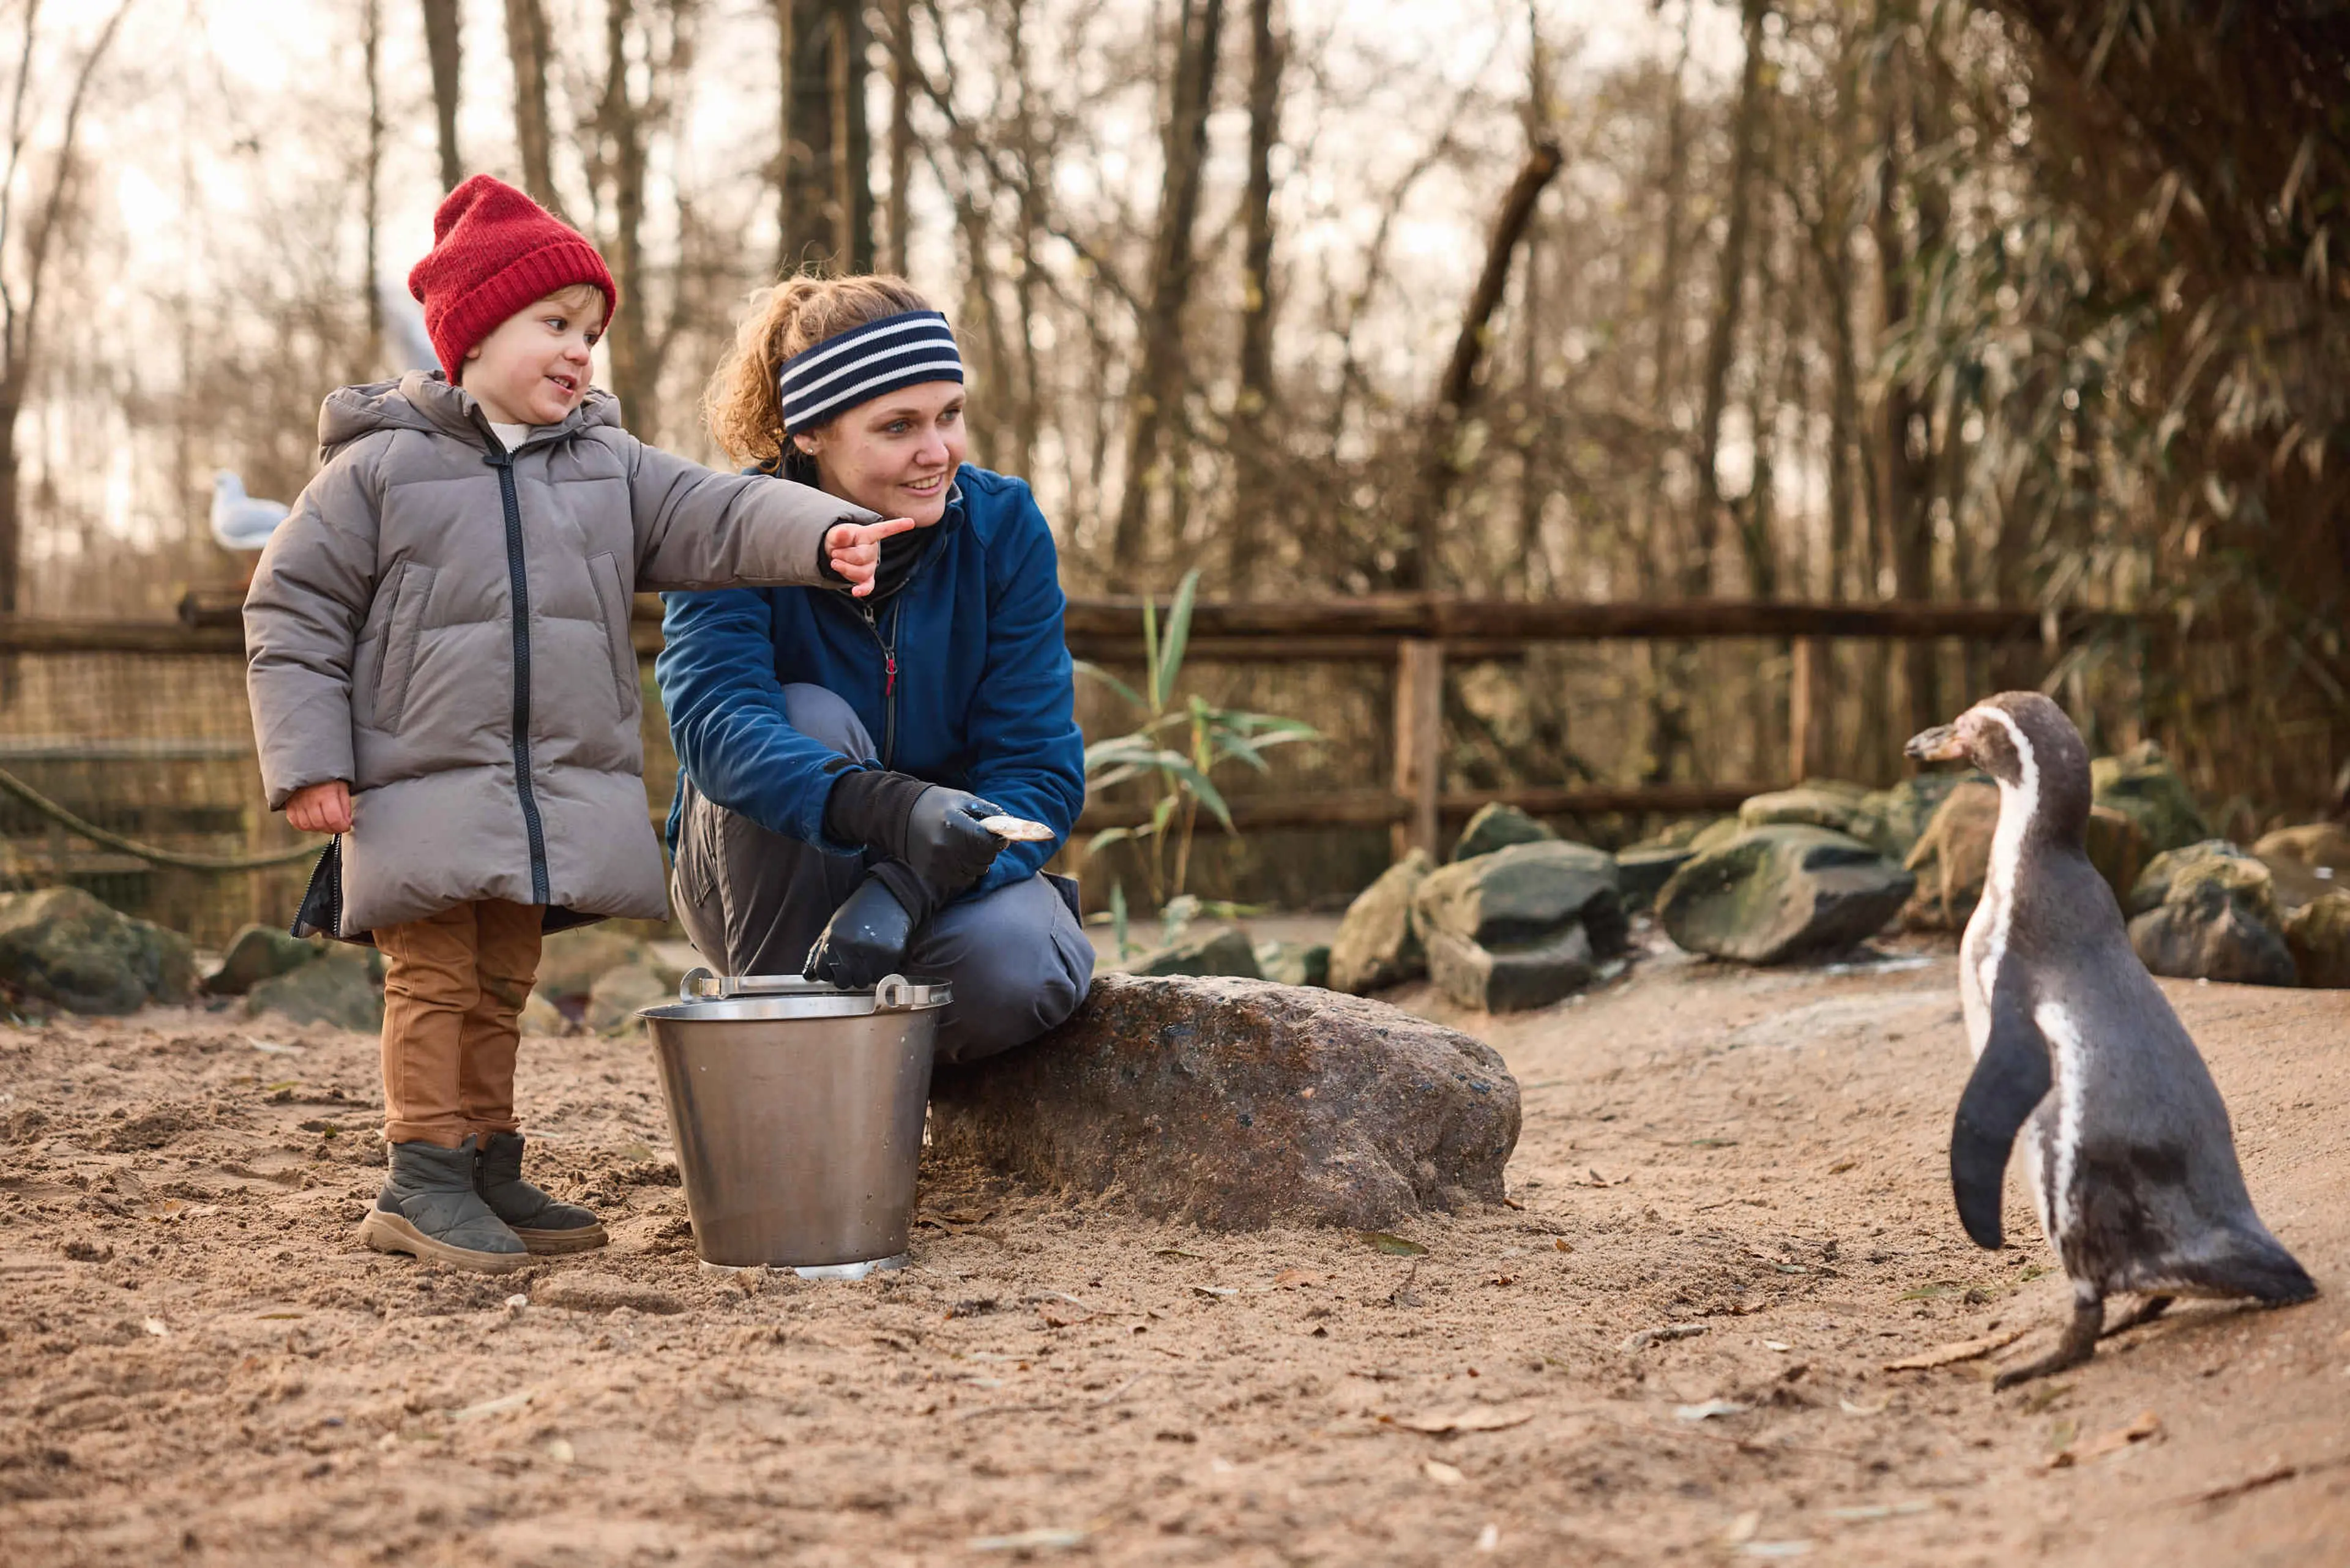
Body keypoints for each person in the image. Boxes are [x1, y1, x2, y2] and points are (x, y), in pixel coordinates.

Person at [243, 176, 913, 1273]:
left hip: (538, 795)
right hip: (411, 788)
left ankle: (484, 1157)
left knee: (505, 980)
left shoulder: (606, 464)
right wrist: (310, 764)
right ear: (468, 333)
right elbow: (292, 611)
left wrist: (823, 529)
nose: (578, 352)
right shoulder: (379, 469)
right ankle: (420, 1174)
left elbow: (719, 510)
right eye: (553, 325)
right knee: (433, 980)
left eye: (591, 332)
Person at [656, 275, 1094, 1063]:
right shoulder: (723, 534)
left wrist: (910, 883)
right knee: (807, 716)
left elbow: (1037, 770)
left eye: (949, 416)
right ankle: (783, 1064)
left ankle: (876, 1078)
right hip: (761, 882)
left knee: (1019, 966)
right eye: (898, 427)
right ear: (812, 432)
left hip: (942, 890)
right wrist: (887, 810)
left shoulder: (1004, 529)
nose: (938, 452)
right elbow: (718, 730)